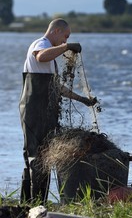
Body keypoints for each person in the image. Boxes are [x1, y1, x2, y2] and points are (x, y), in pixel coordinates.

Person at [19, 18, 97, 204]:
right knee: (37, 157)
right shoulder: (41, 45)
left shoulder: (49, 55)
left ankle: (32, 203)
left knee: (41, 156)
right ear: (55, 31)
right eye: (65, 36)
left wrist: (82, 99)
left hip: (44, 113)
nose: (65, 41)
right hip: (34, 111)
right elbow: (40, 56)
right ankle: (34, 204)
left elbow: (57, 87)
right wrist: (66, 47)